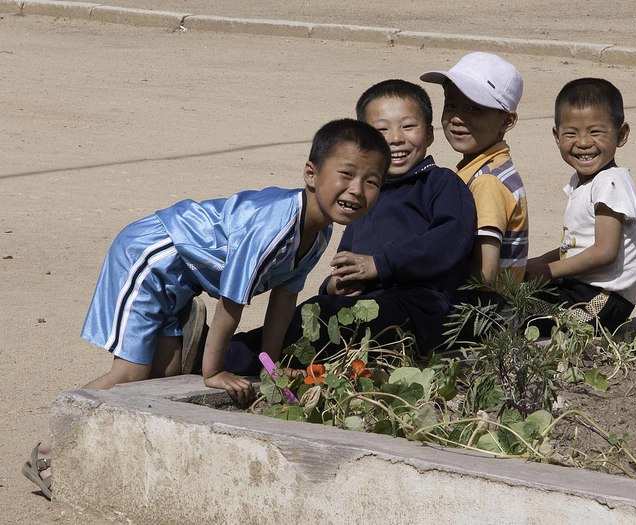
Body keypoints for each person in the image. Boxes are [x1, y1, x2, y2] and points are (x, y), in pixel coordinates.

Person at [22, 119, 389, 500]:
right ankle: (49, 449)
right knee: (131, 374)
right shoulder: (275, 223)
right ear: (311, 174)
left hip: (181, 280)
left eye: (372, 181)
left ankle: (99, 459)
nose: (356, 191)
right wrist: (213, 372)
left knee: (161, 382)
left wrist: (272, 367)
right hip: (151, 258)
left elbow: (284, 299)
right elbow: (232, 301)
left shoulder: (319, 232)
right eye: (346, 175)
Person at [224, 79, 476, 374]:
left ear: (430, 135)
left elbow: (449, 242)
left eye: (408, 127)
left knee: (324, 321)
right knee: (308, 315)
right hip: (363, 306)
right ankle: (216, 354)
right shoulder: (367, 195)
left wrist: (381, 265)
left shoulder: (440, 183)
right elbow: (348, 259)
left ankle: (235, 358)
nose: (395, 139)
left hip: (421, 309)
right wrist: (336, 283)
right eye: (381, 130)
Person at [526, 78, 636, 333]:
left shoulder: (610, 182)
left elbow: (604, 251)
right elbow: (574, 246)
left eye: (595, 132)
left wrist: (548, 271)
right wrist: (534, 264)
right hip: (581, 288)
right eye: (571, 133)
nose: (583, 142)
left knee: (530, 324)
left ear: (622, 134)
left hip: (603, 299)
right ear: (556, 136)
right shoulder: (586, 182)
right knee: (515, 300)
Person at [421, 52, 528, 285]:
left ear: (507, 121)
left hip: (483, 314)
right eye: (451, 106)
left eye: (475, 109)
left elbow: (484, 275)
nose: (458, 118)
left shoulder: (488, 182)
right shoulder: (486, 168)